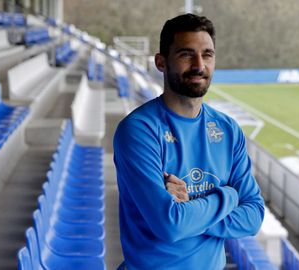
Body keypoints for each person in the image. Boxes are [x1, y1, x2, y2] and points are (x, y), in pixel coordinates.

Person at [113, 13, 264, 270]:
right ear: (161, 62)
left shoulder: (228, 131)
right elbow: (170, 225)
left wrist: (190, 211)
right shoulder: (139, 131)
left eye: (207, 54)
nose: (198, 65)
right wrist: (227, 196)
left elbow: (253, 216)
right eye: (186, 54)